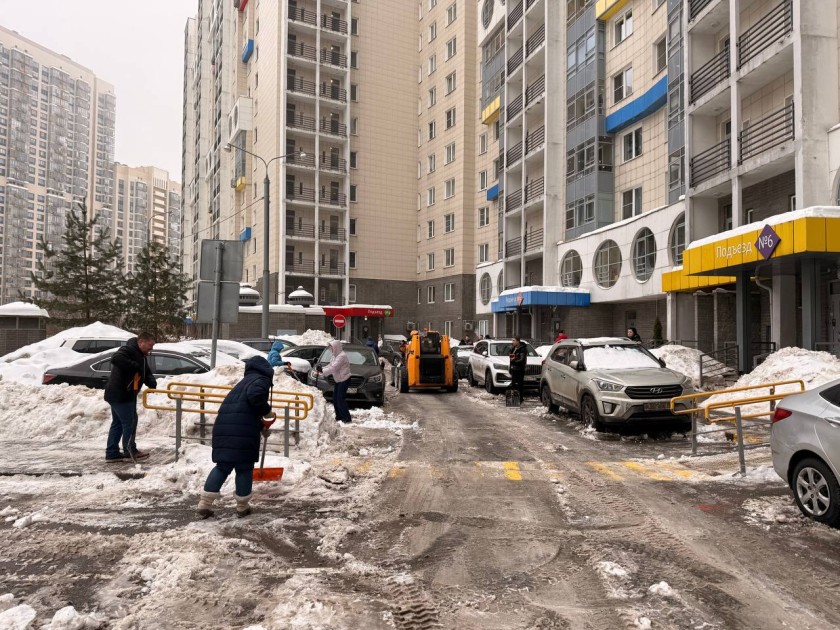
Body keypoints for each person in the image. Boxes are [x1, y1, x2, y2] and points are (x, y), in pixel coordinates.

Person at [196, 356, 275, 519]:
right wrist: (267, 411)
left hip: (224, 429)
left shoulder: (243, 383)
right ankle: (242, 507)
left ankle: (204, 504)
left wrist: (261, 427)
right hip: (241, 434)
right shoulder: (260, 380)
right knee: (244, 468)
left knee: (222, 466)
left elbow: (244, 412)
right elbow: (256, 397)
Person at [104, 333, 157, 462]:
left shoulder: (140, 354)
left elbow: (144, 370)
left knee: (118, 423)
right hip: (121, 394)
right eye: (150, 345)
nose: (151, 349)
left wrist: (150, 381)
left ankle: (112, 453)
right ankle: (130, 450)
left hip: (124, 394)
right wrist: (134, 367)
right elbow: (116, 359)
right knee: (130, 422)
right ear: (141, 342)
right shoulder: (128, 350)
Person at [317, 340, 352, 423]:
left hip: (344, 379)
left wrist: (322, 371)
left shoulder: (341, 356)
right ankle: (339, 416)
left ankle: (346, 418)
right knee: (335, 398)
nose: (331, 349)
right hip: (339, 379)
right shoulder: (335, 356)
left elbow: (334, 368)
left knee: (340, 398)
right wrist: (322, 369)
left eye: (332, 347)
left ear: (336, 347)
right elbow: (330, 365)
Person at [508, 336, 527, 400]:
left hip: (519, 369)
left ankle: (520, 398)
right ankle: (514, 398)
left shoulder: (522, 349)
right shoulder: (513, 348)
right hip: (514, 368)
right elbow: (512, 357)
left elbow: (522, 359)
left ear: (518, 341)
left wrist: (514, 360)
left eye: (514, 340)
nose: (512, 342)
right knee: (513, 384)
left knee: (519, 384)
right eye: (512, 340)